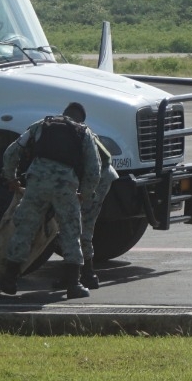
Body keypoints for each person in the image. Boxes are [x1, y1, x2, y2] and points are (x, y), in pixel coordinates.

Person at [0, 102, 101, 300]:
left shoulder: (42, 125)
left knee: (24, 228)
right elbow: (94, 169)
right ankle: (73, 285)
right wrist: (84, 193)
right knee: (71, 232)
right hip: (65, 186)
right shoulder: (84, 133)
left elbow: (11, 151)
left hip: (37, 184)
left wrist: (12, 178)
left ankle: (9, 280)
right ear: (80, 119)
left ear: (64, 114)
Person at [74, 104, 118, 290]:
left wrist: (85, 194)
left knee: (84, 226)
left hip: (99, 179)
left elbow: (95, 170)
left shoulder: (82, 134)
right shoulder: (79, 131)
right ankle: (77, 273)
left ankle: (88, 274)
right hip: (99, 176)